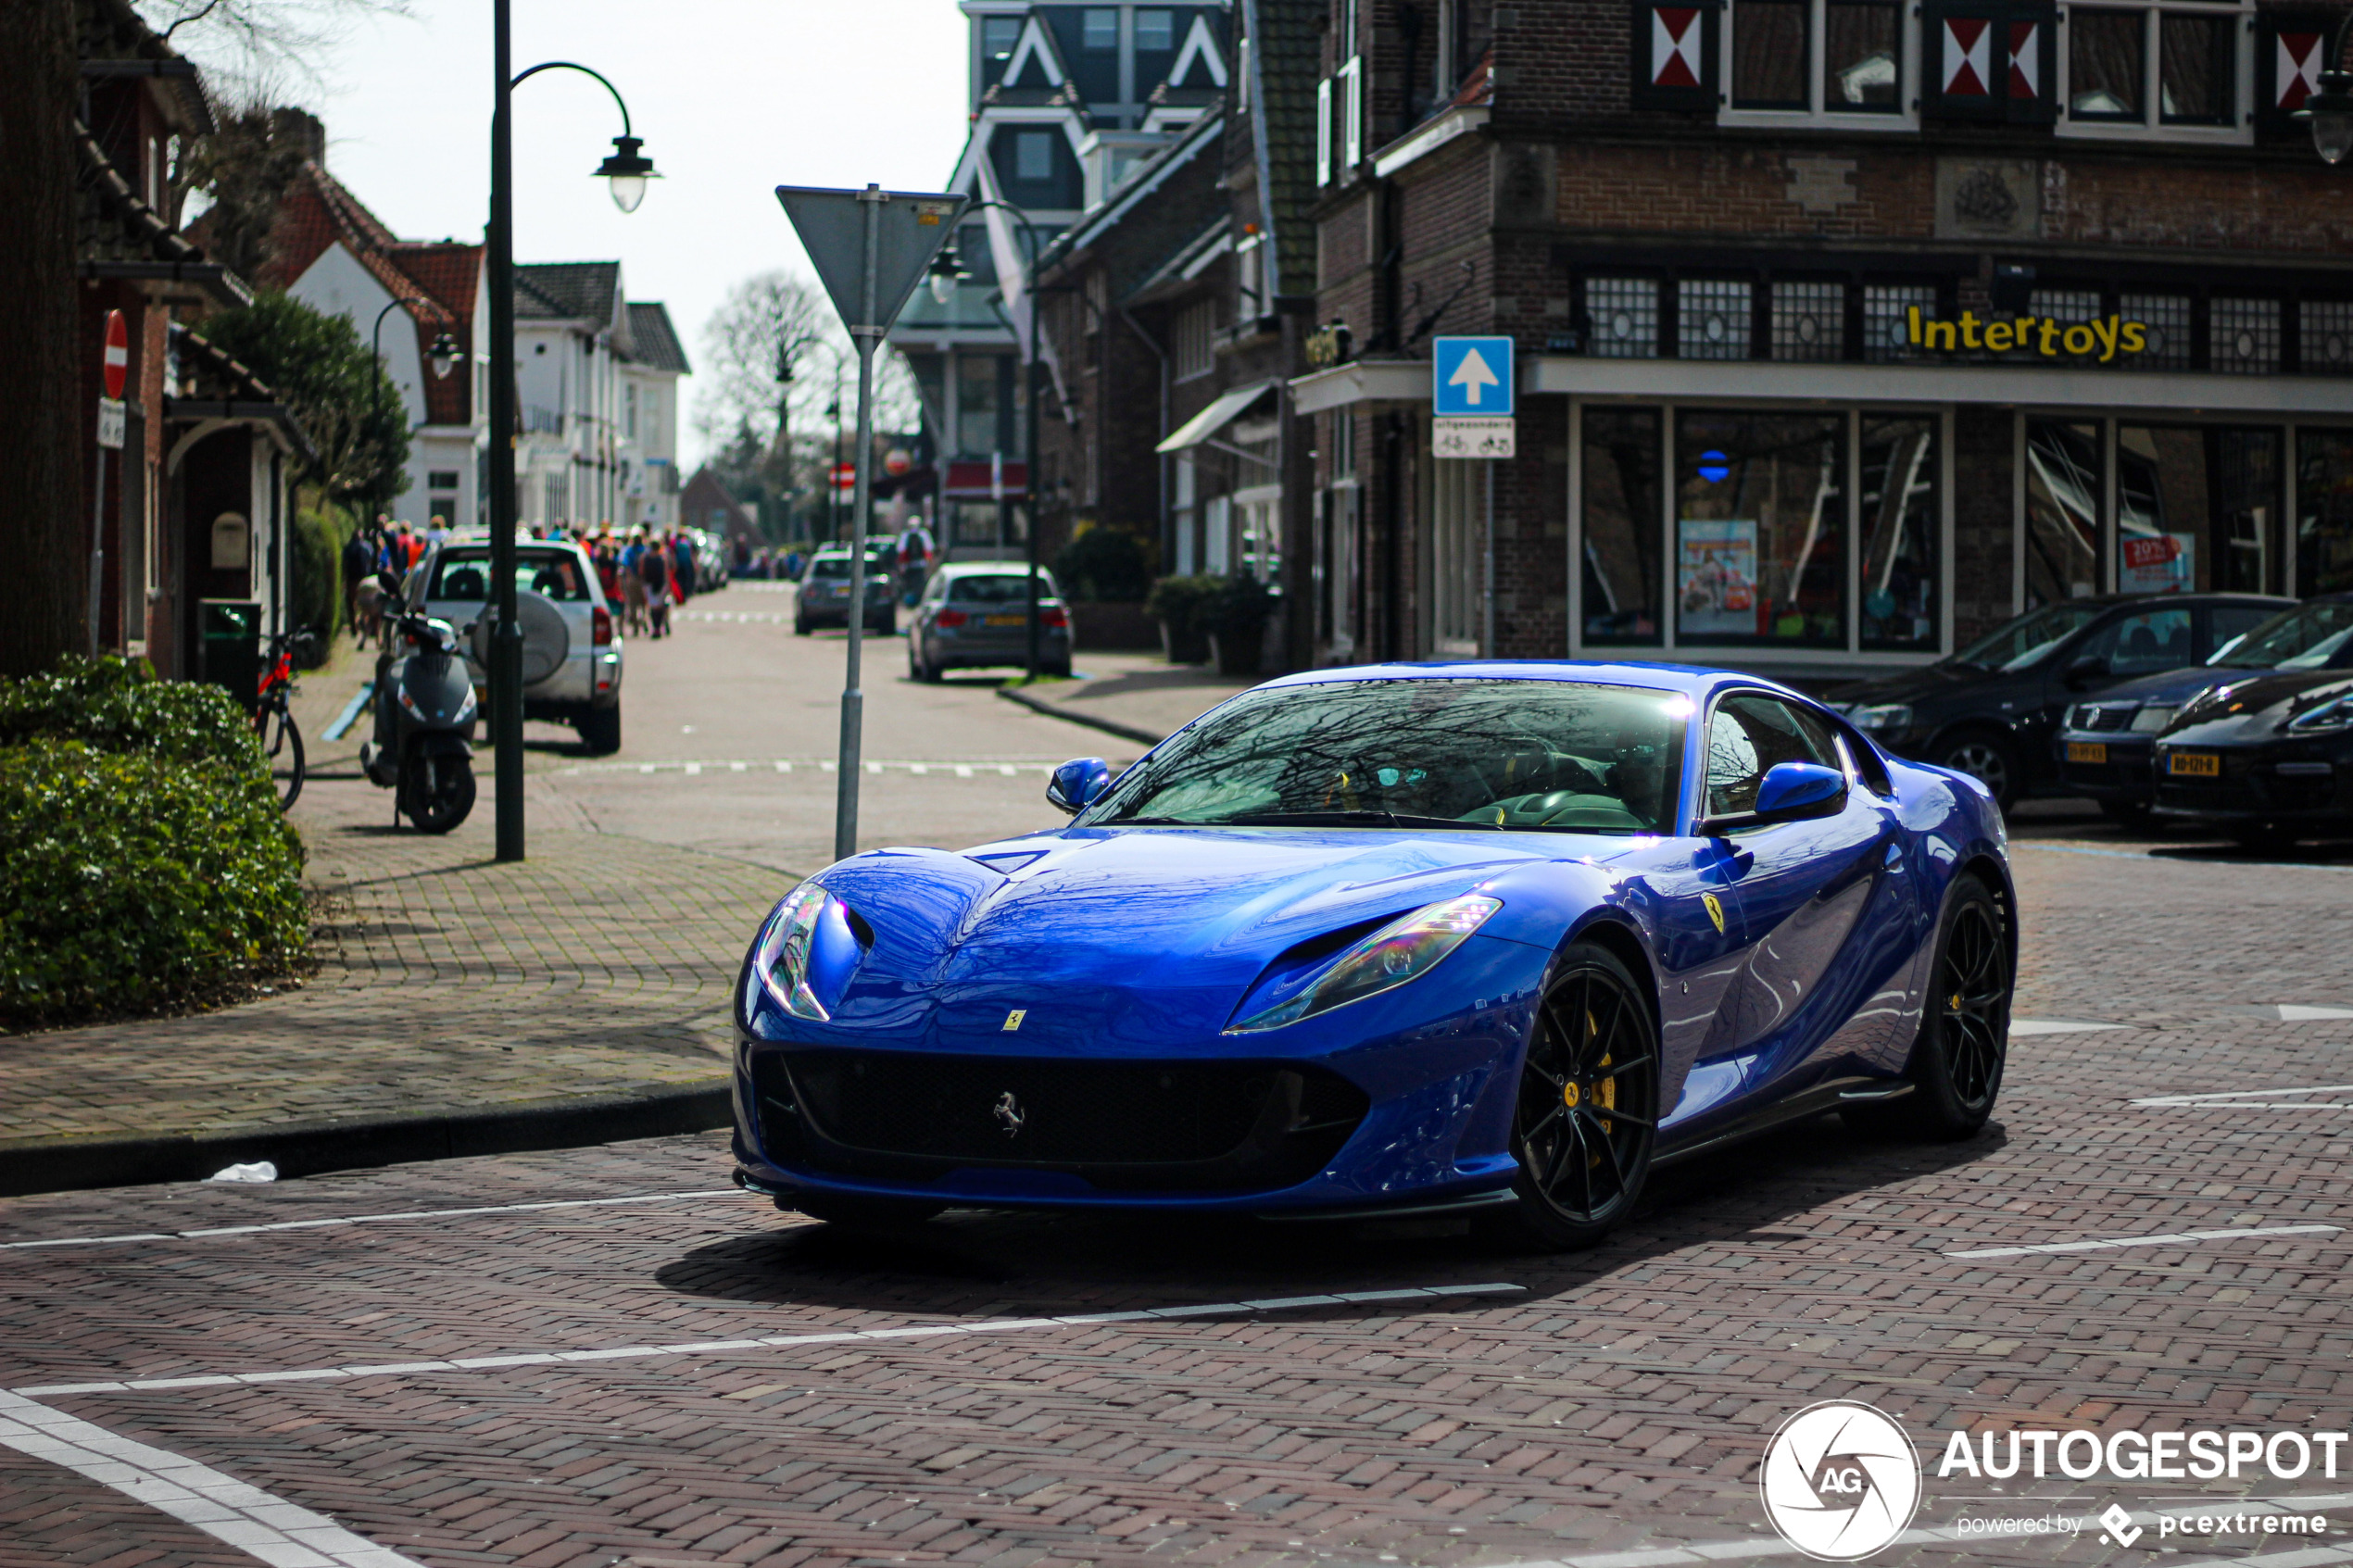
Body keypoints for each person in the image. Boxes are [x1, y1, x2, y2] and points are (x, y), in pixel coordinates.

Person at [638, 533, 672, 638]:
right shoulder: (663, 558)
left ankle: (655, 628)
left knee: (653, 607)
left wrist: (643, 584)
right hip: (660, 584)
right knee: (660, 607)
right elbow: (666, 573)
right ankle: (658, 627)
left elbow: (641, 572)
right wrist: (668, 586)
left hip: (649, 584)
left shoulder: (645, 558)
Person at [671, 529, 696, 608]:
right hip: (687, 564)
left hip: (678, 564)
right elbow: (692, 554)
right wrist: (694, 564)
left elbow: (673, 554)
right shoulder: (687, 543)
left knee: (679, 581)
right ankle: (685, 596)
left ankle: (680, 597)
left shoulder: (676, 543)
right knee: (686, 580)